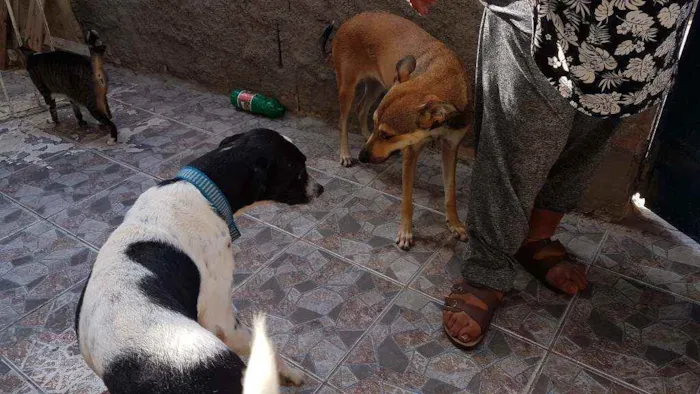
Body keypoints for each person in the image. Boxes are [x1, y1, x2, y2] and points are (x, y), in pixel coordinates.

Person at [406, 0, 695, 348]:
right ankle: (487, 269)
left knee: (583, 149)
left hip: (636, 39)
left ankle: (537, 238)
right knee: (515, 152)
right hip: (539, 18)